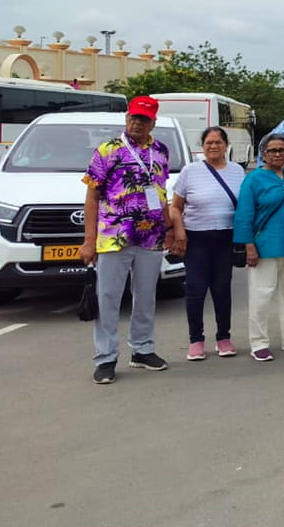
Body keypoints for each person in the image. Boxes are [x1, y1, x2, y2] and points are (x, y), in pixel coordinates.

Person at [81, 96, 175, 384]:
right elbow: (92, 196)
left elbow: (160, 193)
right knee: (107, 298)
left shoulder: (161, 151)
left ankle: (143, 350)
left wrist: (169, 227)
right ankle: (105, 358)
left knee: (146, 297)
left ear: (153, 122)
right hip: (113, 237)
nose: (137, 123)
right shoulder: (108, 150)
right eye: (134, 117)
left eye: (144, 119)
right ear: (126, 118)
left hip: (151, 237)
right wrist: (88, 240)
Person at [234, 134, 284, 361]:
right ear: (263, 154)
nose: (277, 154)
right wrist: (249, 246)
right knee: (262, 296)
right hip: (264, 246)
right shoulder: (254, 179)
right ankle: (258, 342)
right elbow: (244, 215)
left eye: (281, 150)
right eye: (272, 150)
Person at [170, 126, 246, 361]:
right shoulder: (190, 171)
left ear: (226, 145)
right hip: (196, 238)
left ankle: (224, 338)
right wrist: (179, 232)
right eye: (209, 143)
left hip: (225, 238)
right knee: (195, 291)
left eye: (218, 142)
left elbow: (244, 207)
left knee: (222, 289)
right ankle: (196, 340)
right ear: (202, 147)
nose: (213, 146)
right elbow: (175, 207)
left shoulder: (237, 171)